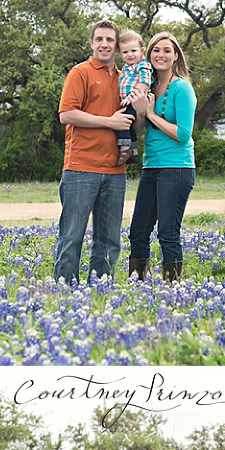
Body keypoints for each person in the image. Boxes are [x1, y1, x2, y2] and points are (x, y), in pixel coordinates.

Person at [52, 20, 135, 284]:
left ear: (117, 46)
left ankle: (100, 293)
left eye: (110, 40)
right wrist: (108, 121)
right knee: (71, 237)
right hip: (80, 167)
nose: (104, 44)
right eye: (99, 39)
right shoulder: (80, 72)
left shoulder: (125, 78)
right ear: (91, 43)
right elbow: (66, 114)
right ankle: (64, 294)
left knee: (110, 240)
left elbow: (133, 122)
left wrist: (144, 107)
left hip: (115, 170)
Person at [127, 32, 197, 283]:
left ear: (175, 55)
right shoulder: (146, 87)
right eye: (156, 50)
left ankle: (173, 287)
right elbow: (137, 129)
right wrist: (140, 113)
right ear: (149, 55)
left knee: (168, 232)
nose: (161, 55)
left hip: (176, 168)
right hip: (151, 166)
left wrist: (151, 114)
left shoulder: (182, 88)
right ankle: (138, 286)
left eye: (167, 50)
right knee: (138, 231)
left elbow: (183, 134)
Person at [114, 31, 153, 165]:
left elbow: (143, 84)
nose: (129, 55)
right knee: (130, 126)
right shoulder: (125, 68)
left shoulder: (143, 65)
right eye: (125, 52)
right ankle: (134, 151)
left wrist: (130, 98)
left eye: (133, 51)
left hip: (136, 100)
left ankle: (125, 149)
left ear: (141, 51)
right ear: (120, 54)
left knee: (122, 122)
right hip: (127, 100)